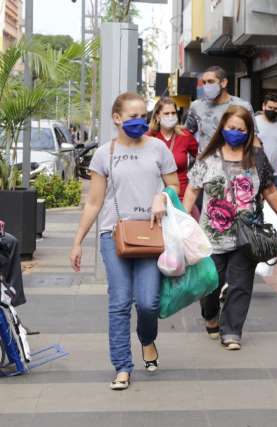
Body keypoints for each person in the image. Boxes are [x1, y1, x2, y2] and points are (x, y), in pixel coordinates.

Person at [69, 92, 179, 390]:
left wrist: (161, 197)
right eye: (132, 116)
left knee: (147, 302)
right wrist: (78, 241)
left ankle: (147, 338)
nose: (138, 121)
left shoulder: (158, 149)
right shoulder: (105, 153)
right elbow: (94, 202)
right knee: (119, 302)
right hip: (113, 234)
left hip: (151, 233)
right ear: (117, 118)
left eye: (143, 116)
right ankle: (122, 366)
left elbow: (174, 186)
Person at [183, 105, 277, 351]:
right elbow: (192, 189)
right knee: (210, 283)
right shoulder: (207, 158)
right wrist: (182, 218)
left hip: (246, 235)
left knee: (241, 284)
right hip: (212, 235)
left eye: (241, 129)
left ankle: (232, 331)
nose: (235, 133)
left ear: (248, 131)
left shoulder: (256, 158)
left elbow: (270, 191)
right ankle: (211, 316)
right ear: (222, 128)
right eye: (231, 128)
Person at [187, 66, 256, 152]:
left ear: (223, 82)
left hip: (235, 162)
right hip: (206, 162)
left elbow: (253, 138)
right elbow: (186, 134)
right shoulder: (196, 106)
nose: (206, 86)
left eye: (211, 82)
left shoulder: (243, 106)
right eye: (204, 82)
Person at [148, 97, 199, 200]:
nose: (170, 116)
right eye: (166, 113)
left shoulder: (185, 136)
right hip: (154, 198)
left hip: (180, 198)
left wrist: (195, 180)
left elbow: (202, 158)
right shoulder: (149, 137)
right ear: (157, 116)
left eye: (173, 113)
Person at [255, 93, 277, 201]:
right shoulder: (254, 122)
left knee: (275, 213)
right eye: (270, 107)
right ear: (263, 106)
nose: (272, 110)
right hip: (256, 173)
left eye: (275, 109)